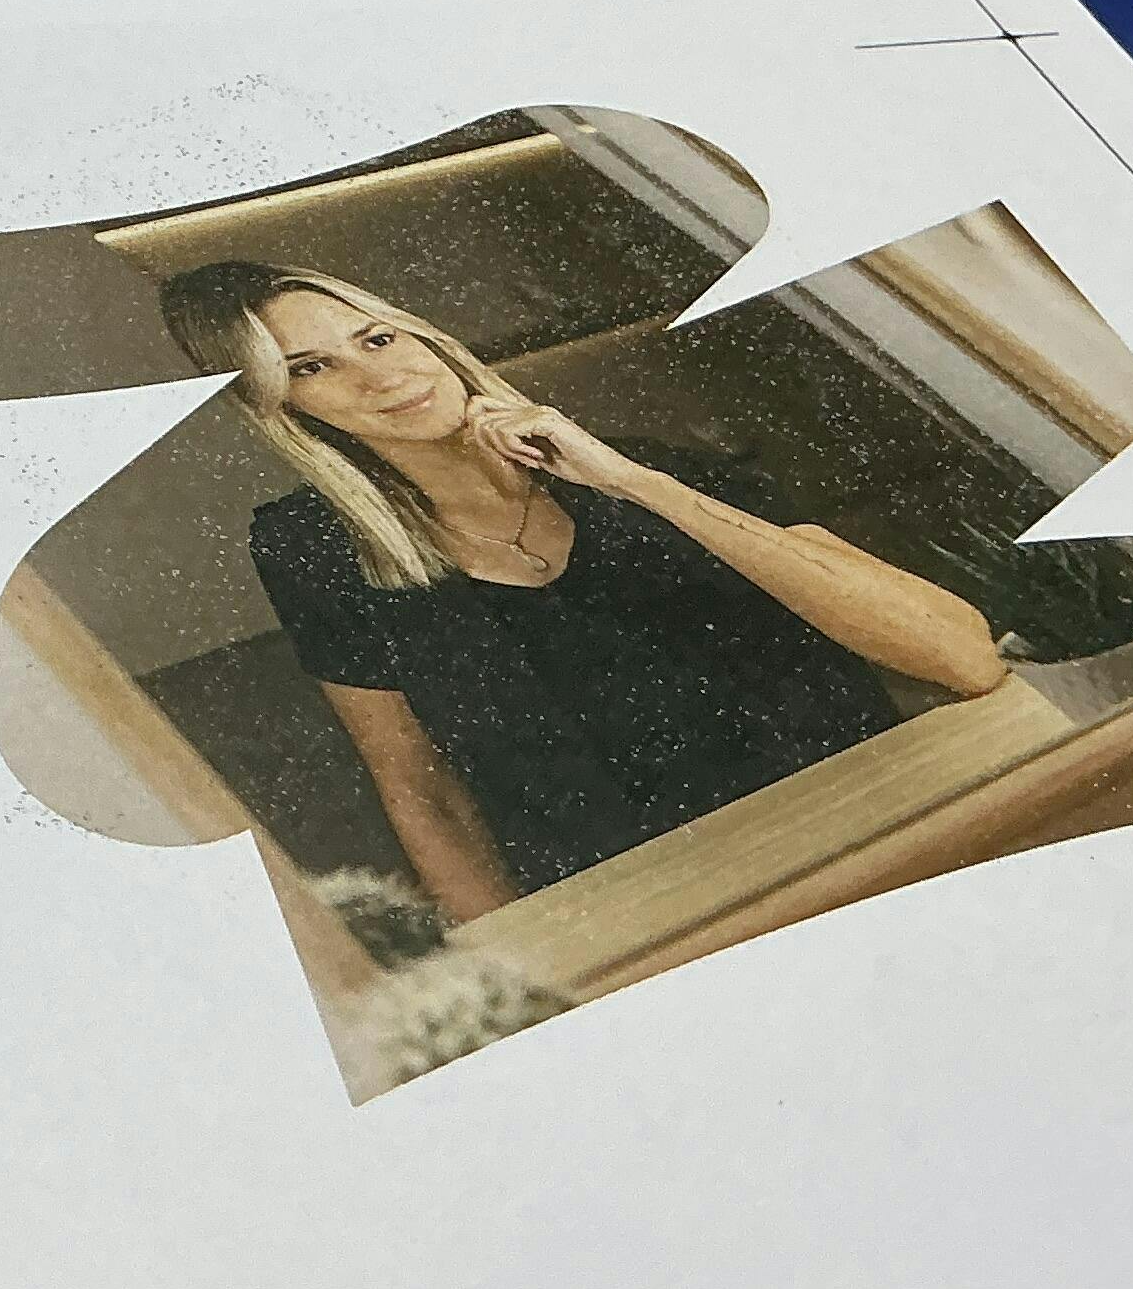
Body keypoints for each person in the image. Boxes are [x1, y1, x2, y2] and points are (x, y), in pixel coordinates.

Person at [156, 261, 1004, 920]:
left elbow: (962, 658)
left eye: (377, 339)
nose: (377, 377)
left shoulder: (651, 472)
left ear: (425, 338)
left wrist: (634, 484)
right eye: (313, 368)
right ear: (284, 408)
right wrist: (515, 979)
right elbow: (421, 788)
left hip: (888, 839)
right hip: (653, 913)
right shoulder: (317, 551)